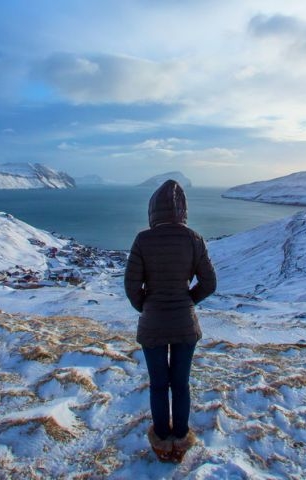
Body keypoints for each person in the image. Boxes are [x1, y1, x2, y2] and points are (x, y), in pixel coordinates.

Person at [124, 179, 217, 462]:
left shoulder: (143, 239)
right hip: (184, 325)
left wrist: (146, 306)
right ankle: (180, 439)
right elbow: (209, 283)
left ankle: (162, 441)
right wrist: (188, 301)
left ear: (153, 210)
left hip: (152, 323)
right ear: (182, 210)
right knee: (180, 384)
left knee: (158, 384)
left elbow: (131, 285)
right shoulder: (194, 239)